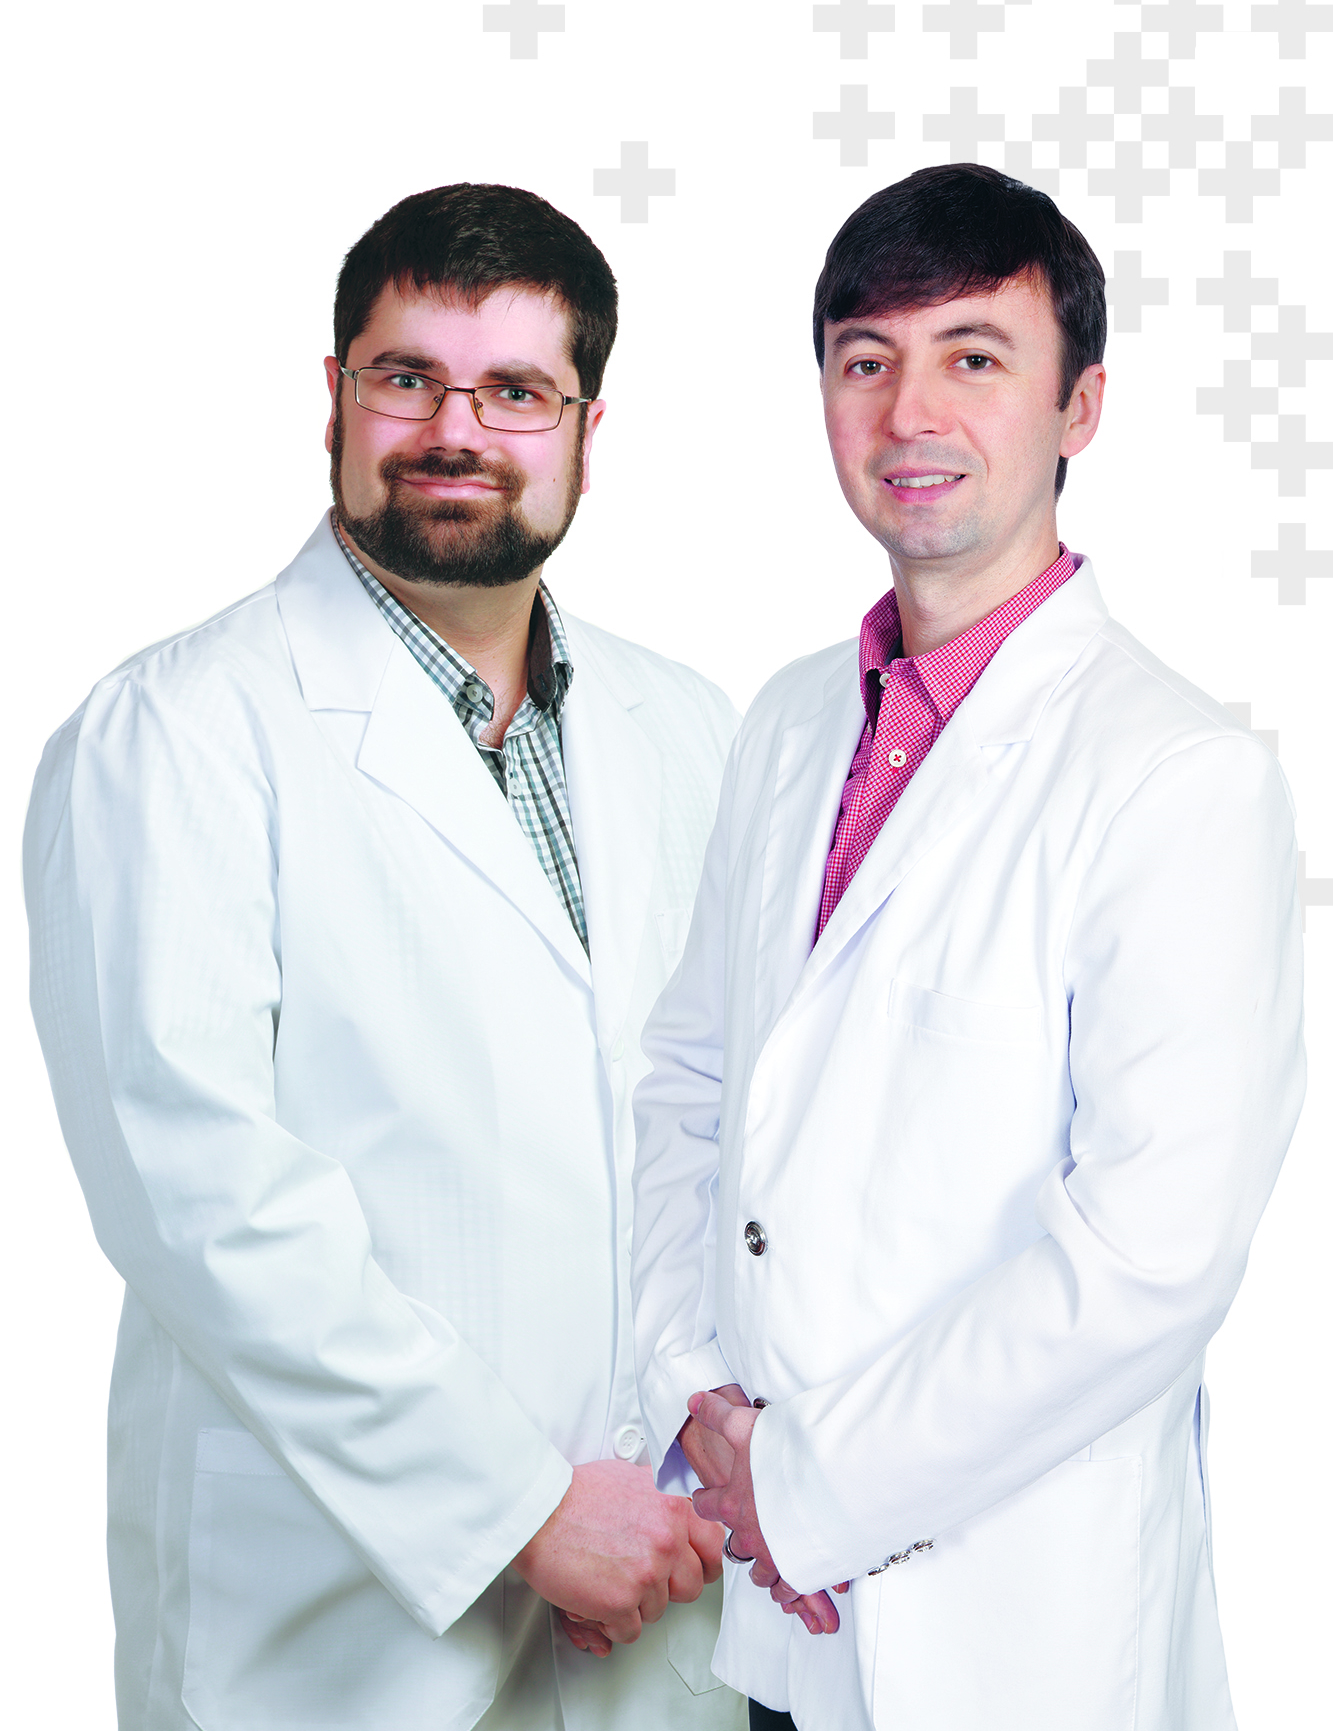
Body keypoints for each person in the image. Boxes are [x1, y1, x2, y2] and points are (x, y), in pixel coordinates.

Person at [25, 183, 746, 1731]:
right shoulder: (173, 734)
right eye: (408, 376)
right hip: (337, 1640)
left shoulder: (691, 729)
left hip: (666, 1596)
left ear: (587, 430)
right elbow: (203, 1199)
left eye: (517, 391)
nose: (455, 431)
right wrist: (521, 1507)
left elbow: (736, 1134)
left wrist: (713, 1446)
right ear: (336, 397)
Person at [630, 163, 1305, 1731]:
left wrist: (805, 1482)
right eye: (866, 359)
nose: (909, 411)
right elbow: (688, 1086)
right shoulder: (791, 724)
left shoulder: (1178, 775)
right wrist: (694, 1396)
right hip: (781, 1621)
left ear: (1081, 407)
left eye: (974, 356)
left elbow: (1149, 1255)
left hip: (1014, 1638)